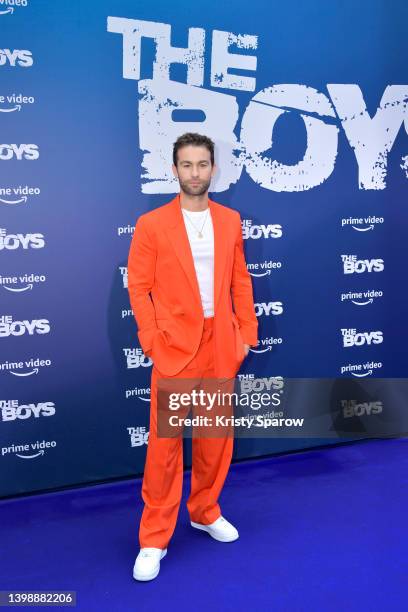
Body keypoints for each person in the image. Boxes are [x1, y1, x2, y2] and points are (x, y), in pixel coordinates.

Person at [127, 132, 258, 581]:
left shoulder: (230, 219)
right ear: (175, 169)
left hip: (221, 345)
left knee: (214, 441)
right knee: (164, 450)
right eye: (187, 165)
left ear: (213, 168)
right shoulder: (152, 225)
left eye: (203, 164)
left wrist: (247, 333)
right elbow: (138, 287)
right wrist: (151, 340)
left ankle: (204, 511)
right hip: (174, 350)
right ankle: (153, 538)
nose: (195, 173)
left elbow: (240, 279)